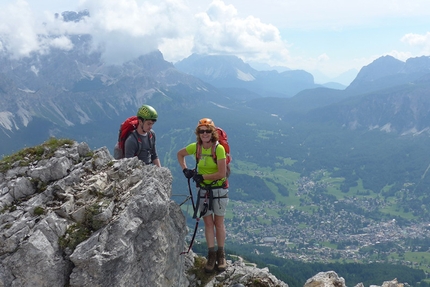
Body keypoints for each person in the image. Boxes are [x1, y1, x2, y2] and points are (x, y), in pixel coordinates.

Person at [177, 118, 229, 273]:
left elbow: (221, 173)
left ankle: (221, 255)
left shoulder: (218, 149)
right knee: (208, 224)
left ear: (212, 133)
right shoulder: (197, 148)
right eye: (201, 131)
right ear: (198, 133)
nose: (204, 133)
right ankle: (211, 255)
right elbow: (179, 154)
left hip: (218, 189)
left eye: (207, 131)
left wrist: (202, 177)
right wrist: (185, 169)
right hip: (204, 191)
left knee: (218, 223)